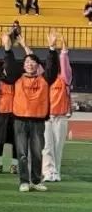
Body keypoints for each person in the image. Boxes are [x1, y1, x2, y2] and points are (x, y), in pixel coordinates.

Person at [3, 30, 59, 192]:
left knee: (37, 153)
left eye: (33, 62)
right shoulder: (17, 78)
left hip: (38, 121)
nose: (30, 64)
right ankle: (24, 181)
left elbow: (52, 68)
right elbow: (9, 66)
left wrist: (52, 49)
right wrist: (7, 50)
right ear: (23, 65)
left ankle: (35, 180)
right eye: (27, 62)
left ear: (38, 65)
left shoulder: (45, 79)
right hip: (20, 121)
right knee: (22, 153)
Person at [42, 37, 71, 182]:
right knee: (47, 146)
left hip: (61, 117)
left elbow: (65, 67)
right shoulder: (46, 79)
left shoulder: (65, 80)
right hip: (47, 117)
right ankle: (47, 171)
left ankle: (56, 172)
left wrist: (64, 51)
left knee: (58, 146)